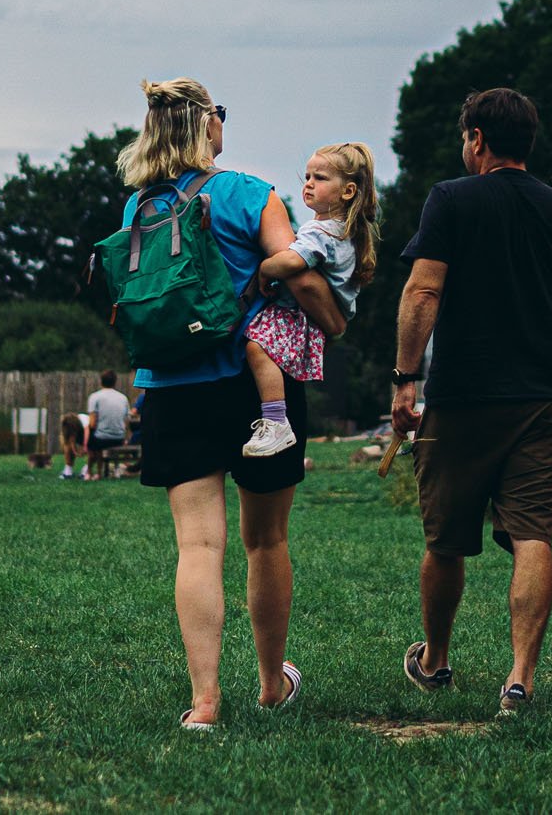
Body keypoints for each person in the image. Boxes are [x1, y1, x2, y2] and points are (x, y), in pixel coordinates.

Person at [119, 78, 345, 730]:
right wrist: (335, 318)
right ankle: (272, 683)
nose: (224, 121)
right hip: (256, 383)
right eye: (219, 112)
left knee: (197, 545)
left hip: (171, 385)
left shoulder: (137, 208)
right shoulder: (250, 192)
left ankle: (205, 703)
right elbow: (296, 269)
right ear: (205, 125)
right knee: (266, 539)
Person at [390, 87, 552, 717]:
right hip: (544, 402)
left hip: (460, 399)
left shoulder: (450, 200)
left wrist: (405, 378)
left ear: (478, 140)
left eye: (465, 137)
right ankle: (519, 678)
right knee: (531, 534)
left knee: (445, 539)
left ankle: (435, 662)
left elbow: (421, 293)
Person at [240, 143, 379, 458]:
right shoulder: (347, 231)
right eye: (307, 176)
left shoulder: (321, 231)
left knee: (256, 346)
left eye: (320, 177)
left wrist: (264, 269)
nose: (309, 183)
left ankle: (276, 422)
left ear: (347, 192)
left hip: (298, 315)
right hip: (321, 321)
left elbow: (292, 263)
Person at [84, 370, 131, 480]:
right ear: (115, 382)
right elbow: (126, 421)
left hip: (101, 439)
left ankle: (90, 472)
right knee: (97, 441)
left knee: (91, 439)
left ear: (101, 381)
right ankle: (110, 470)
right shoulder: (123, 398)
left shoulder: (95, 397)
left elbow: (92, 423)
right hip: (119, 438)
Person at [59, 411, 90, 479]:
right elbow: (71, 439)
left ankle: (86, 470)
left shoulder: (83, 418)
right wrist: (75, 451)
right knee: (67, 446)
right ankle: (68, 470)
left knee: (93, 448)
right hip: (79, 436)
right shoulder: (69, 426)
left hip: (91, 436)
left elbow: (87, 432)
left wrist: (85, 447)